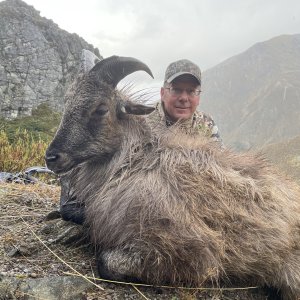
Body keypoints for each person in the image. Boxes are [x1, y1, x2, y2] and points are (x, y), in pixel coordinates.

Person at [151, 59, 222, 143]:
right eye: (176, 90)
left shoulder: (206, 123)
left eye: (191, 91)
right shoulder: (144, 123)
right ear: (162, 93)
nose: (184, 98)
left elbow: (219, 153)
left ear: (199, 97)